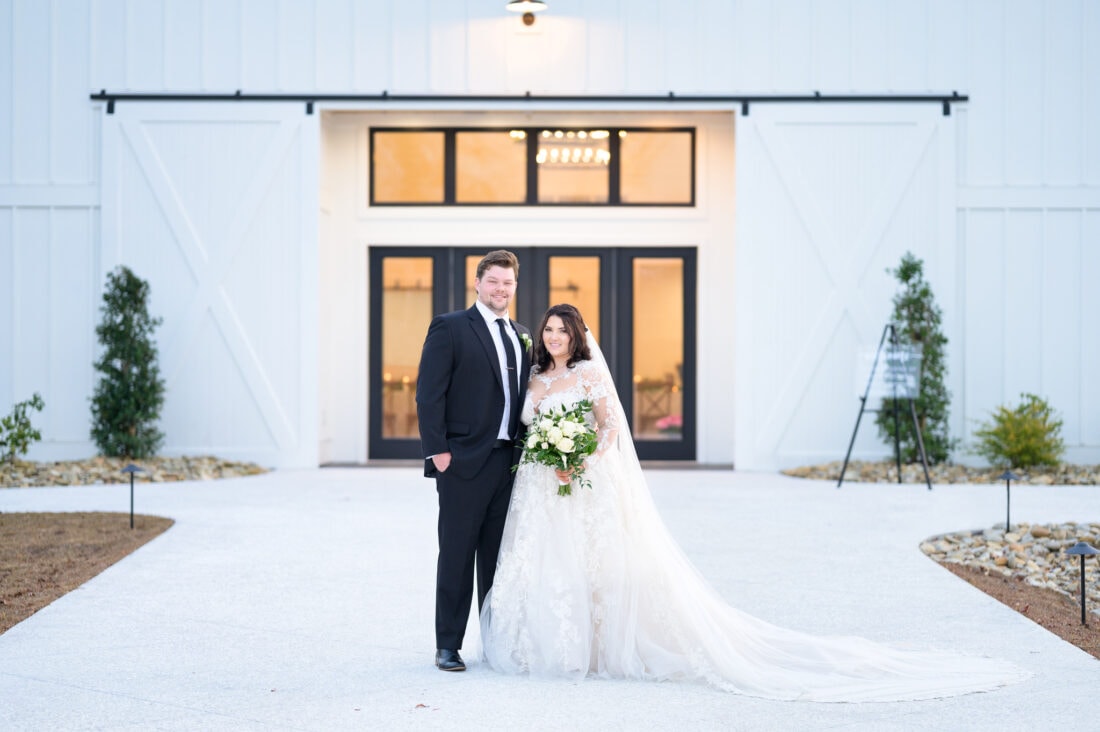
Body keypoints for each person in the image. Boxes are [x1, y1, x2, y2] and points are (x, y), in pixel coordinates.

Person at [480, 303, 1028, 702]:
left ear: (577, 335)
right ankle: (545, 647)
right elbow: (528, 430)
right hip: (539, 491)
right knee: (547, 565)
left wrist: (579, 457)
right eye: (548, 329)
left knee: (594, 564)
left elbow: (611, 431)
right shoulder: (533, 378)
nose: (553, 336)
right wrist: (547, 453)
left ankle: (595, 650)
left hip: (583, 484)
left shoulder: (590, 373)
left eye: (561, 330)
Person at [416, 250, 532, 673]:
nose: (501, 289)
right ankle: (447, 645)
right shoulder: (450, 327)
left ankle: (495, 643)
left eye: (508, 283)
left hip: (509, 463)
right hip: (463, 463)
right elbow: (429, 393)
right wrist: (440, 452)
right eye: (494, 281)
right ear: (478, 284)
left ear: (514, 288)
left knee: (497, 560)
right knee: (457, 556)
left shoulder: (521, 334)